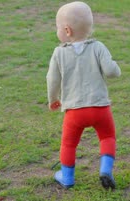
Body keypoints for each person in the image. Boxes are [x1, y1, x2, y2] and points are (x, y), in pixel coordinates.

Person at [46, 1, 121, 189]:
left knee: (68, 145)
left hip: (74, 111)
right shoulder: (98, 47)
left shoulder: (59, 53)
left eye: (57, 28)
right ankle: (105, 170)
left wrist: (53, 98)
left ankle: (67, 177)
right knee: (107, 137)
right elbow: (111, 71)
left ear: (67, 30)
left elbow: (52, 79)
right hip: (100, 108)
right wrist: (116, 68)